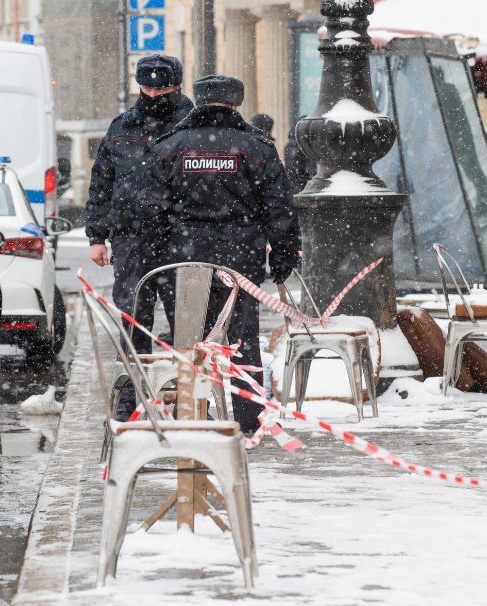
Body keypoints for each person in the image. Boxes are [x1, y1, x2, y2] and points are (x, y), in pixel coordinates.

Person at [137, 75, 301, 433]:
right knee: (242, 338)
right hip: (240, 257)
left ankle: (192, 412)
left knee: (189, 337)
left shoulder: (170, 145)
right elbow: (279, 208)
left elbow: (149, 211)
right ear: (235, 103)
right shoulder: (256, 146)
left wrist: (154, 258)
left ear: (199, 101)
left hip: (184, 257)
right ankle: (248, 419)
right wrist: (284, 255)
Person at [85, 55, 193, 358]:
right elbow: (101, 184)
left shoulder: (193, 126)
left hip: (181, 237)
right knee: (133, 316)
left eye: (162, 90)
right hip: (131, 237)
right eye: (148, 89)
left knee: (186, 320)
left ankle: (188, 384)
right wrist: (96, 237)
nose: (154, 95)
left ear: (177, 86)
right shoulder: (121, 127)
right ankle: (134, 380)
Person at [284, 115, 318, 196]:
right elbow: (309, 170)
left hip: (296, 188)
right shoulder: (302, 144)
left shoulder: (294, 143)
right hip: (302, 188)